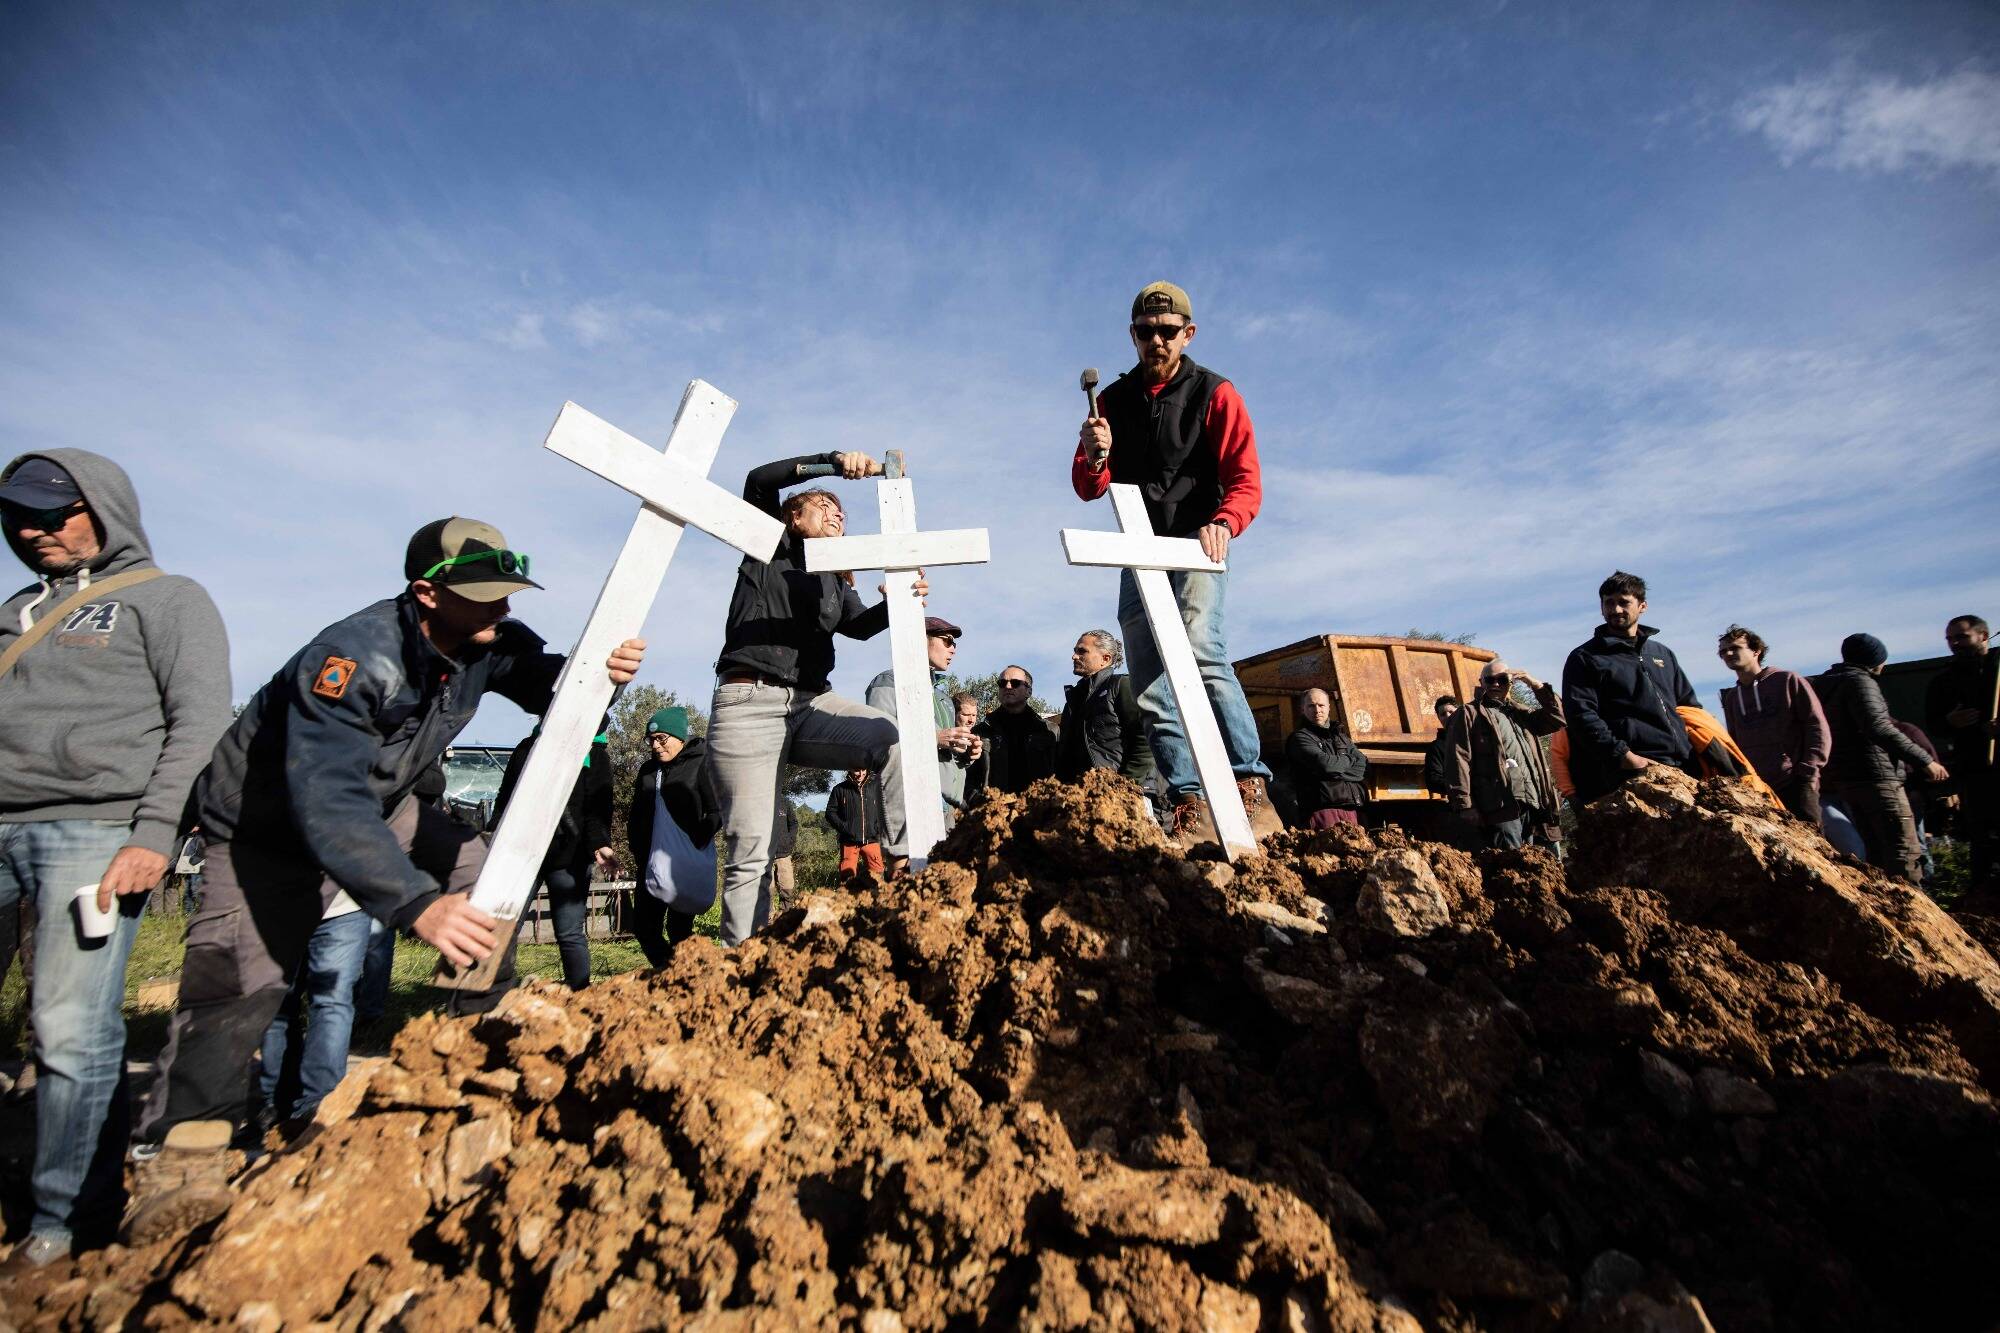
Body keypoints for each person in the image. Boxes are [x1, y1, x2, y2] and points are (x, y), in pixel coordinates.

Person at [124, 517, 644, 1244]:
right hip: (266, 826)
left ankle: (480, 1045)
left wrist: (603, 677)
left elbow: (553, 690)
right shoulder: (353, 657)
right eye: (484, 592)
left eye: (507, 591)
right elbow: (325, 795)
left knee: (484, 870)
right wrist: (414, 905)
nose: (503, 606)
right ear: (427, 593)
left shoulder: (486, 639)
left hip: (382, 804)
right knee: (240, 983)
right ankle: (179, 1157)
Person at [0, 451, 231, 1269]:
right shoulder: (12, 613)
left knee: (68, 1027)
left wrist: (153, 831)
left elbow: (199, 720)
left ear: (103, 507)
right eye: (18, 513)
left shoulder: (167, 600)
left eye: (53, 511)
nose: (34, 528)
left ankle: (62, 1220)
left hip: (93, 833)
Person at [1072, 281, 1281, 845]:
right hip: (1139, 549)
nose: (1156, 341)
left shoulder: (1216, 393)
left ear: (1188, 334)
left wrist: (1224, 522)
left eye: (1168, 332)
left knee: (1201, 649)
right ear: (1133, 336)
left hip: (1196, 543)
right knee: (1147, 678)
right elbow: (1088, 485)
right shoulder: (1110, 402)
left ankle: (1246, 780)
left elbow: (1245, 480)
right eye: (1146, 332)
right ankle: (1185, 795)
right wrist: (1096, 455)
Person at [707, 456, 923, 946]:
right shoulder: (770, 546)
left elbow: (861, 627)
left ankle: (903, 862)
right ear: (792, 518)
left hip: (811, 705)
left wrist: (899, 601)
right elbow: (757, 478)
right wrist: (830, 464)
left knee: (888, 737)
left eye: (841, 510)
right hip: (750, 701)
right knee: (752, 848)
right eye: (823, 506)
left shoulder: (833, 577)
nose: (836, 512)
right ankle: (740, 962)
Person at [1813, 633, 1947, 884]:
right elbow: (1879, 727)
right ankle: (1913, 909)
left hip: (1846, 779)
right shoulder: (1860, 682)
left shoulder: (1825, 686)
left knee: (1874, 850)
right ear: (1875, 660)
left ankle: (1886, 904)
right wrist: (1925, 761)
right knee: (1903, 850)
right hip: (1877, 776)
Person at [492, 723, 615, 990]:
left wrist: (601, 844)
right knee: (504, 924)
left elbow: (598, 807)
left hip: (569, 858)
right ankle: (494, 990)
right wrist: (494, 834)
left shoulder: (594, 753)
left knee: (569, 932)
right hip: (522, 853)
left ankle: (579, 994)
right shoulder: (528, 748)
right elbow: (506, 797)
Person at [1561, 571, 1698, 804]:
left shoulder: (1662, 654)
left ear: (1642, 605)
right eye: (1609, 603)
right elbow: (1581, 715)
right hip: (1629, 771)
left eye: (1624, 602)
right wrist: (1623, 756)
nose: (1615, 610)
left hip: (1683, 766)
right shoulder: (1585, 657)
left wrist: (1697, 752)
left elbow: (1688, 705)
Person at [253, 893, 371, 1131]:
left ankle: (319, 1103)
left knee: (332, 1001)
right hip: (277, 902)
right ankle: (275, 1104)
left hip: (345, 907)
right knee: (274, 1002)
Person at [626, 707, 717, 967]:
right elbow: (637, 812)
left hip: (683, 863)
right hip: (650, 861)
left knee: (679, 931)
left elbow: (716, 812)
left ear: (679, 738)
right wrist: (637, 847)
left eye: (662, 739)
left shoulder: (700, 764)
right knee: (645, 928)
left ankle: (689, 979)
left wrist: (699, 840)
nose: (656, 746)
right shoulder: (647, 771)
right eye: (651, 740)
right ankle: (669, 972)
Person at [1441, 662, 1565, 850]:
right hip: (1498, 805)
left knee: (1530, 863)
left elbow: (1558, 718)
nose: (1496, 684)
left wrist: (1536, 686)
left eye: (1502, 679)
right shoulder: (1469, 714)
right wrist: (1465, 805)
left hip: (1530, 802)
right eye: (1490, 680)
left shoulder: (1521, 713)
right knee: (1509, 864)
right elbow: (1458, 760)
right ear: (1481, 682)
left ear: (1511, 682)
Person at [867, 616, 979, 822]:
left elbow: (946, 757)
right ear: (919, 640)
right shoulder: (889, 682)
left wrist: (966, 755)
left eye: (954, 643)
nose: (953, 649)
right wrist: (934, 738)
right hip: (910, 801)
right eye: (947, 640)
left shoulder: (943, 698)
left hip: (946, 808)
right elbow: (878, 739)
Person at [1716, 625, 1830, 825]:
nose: (1728, 653)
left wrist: (1808, 770)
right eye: (1723, 651)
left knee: (1812, 845)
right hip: (1759, 787)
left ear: (1755, 651)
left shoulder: (1787, 680)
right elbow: (1734, 741)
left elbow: (1816, 725)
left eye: (1735, 647)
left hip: (1795, 781)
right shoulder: (1733, 697)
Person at [1925, 615, 1998, 890]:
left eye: (1962, 637)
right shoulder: (1945, 681)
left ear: (1983, 635)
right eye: (1950, 639)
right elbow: (1934, 724)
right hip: (1975, 766)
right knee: (1980, 832)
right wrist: (1950, 722)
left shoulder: (1997, 670)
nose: (1955, 644)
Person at [1055, 629, 1155, 792]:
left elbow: (1145, 737)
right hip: (1082, 797)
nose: (1074, 656)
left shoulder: (1121, 686)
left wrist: (1127, 785)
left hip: (1126, 795)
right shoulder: (1073, 701)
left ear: (1105, 658)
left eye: (1082, 651)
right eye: (1075, 651)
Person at [1285, 688, 1368, 828]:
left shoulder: (1342, 738)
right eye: (1311, 706)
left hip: (1353, 812)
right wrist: (1349, 760)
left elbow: (1364, 767)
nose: (1317, 710)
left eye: (1321, 705)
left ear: (1329, 707)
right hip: (1321, 814)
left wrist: (1335, 770)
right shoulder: (1300, 738)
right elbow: (1326, 766)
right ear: (1302, 709)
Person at [970, 666, 1057, 796]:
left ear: (1029, 691)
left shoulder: (1049, 731)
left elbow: (1059, 773)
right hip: (993, 810)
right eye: (1002, 683)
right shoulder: (981, 731)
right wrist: (977, 801)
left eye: (1015, 683)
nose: (1008, 686)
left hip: (1037, 810)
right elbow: (968, 776)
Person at [826, 768, 889, 882]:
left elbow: (886, 809)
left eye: (863, 770)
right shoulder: (839, 789)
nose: (860, 774)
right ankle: (848, 898)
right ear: (849, 770)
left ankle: (877, 898)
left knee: (878, 877)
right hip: (849, 841)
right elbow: (830, 813)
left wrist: (877, 829)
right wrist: (845, 828)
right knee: (847, 878)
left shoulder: (876, 787)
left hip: (872, 840)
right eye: (856, 771)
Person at [1423, 697, 1460, 798]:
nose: (1448, 716)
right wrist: (1461, 788)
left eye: (1451, 712)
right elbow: (1433, 780)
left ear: (1460, 713)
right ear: (1439, 718)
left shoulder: (1476, 740)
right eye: (1443, 714)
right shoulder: (1436, 748)